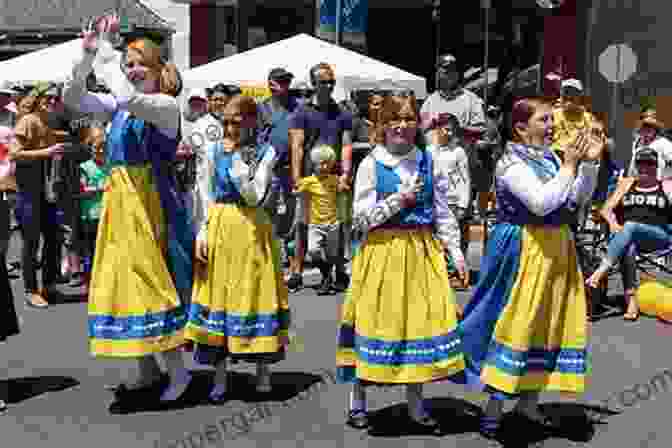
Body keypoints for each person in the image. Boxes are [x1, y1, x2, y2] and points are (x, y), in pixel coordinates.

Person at [62, 14, 194, 406]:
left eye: (140, 65)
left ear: (157, 69)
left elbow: (128, 97)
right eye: (129, 65)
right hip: (120, 204)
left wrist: (110, 51)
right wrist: (87, 56)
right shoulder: (118, 108)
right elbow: (72, 98)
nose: (133, 71)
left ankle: (179, 371)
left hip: (150, 203)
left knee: (150, 282)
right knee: (122, 281)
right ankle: (146, 368)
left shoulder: (165, 106)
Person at [455, 97, 601, 439]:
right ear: (521, 128)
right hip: (525, 248)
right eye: (544, 120)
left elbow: (575, 201)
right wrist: (569, 164)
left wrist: (589, 166)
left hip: (556, 248)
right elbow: (540, 203)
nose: (552, 126)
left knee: (546, 324)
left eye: (552, 120)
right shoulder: (510, 164)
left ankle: (528, 404)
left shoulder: (551, 158)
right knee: (516, 322)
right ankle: (494, 407)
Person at [336, 93, 466, 433]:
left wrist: (456, 252)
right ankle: (357, 401)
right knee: (375, 324)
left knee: (417, 326)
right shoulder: (370, 164)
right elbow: (361, 220)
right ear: (382, 123)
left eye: (409, 118)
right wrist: (398, 199)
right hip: (382, 253)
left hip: (421, 253)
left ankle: (416, 405)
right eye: (396, 118)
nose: (403, 125)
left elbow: (441, 209)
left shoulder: (426, 159)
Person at [186, 95, 290, 404]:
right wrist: (201, 231)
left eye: (236, 122)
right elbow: (203, 191)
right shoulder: (211, 148)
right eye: (226, 121)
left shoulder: (266, 152)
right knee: (219, 295)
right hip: (220, 223)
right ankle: (219, 376)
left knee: (256, 293)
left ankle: (262, 370)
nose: (230, 128)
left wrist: (237, 164)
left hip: (251, 228)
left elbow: (254, 195)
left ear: (252, 122)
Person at [288, 62, 353, 293]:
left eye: (331, 81)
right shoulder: (302, 111)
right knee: (303, 224)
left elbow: (346, 145)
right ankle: (296, 271)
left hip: (335, 179)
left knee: (340, 224)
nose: (328, 86)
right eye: (323, 82)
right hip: (309, 177)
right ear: (314, 84)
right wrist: (296, 176)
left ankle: (341, 271)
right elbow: (296, 146)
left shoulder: (343, 113)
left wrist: (346, 173)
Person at [587, 148, 672, 320]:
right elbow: (606, 209)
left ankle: (601, 271)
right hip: (626, 236)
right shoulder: (627, 184)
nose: (645, 168)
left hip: (657, 237)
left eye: (649, 164)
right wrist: (613, 225)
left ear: (656, 166)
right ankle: (631, 300)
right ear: (635, 165)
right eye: (641, 164)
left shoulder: (666, 185)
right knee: (628, 245)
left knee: (631, 227)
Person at [8, 82, 66, 309]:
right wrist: (47, 152)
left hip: (46, 191)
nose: (52, 101)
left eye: (55, 98)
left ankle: (49, 286)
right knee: (31, 243)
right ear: (38, 98)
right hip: (28, 192)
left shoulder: (46, 122)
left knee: (53, 238)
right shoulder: (28, 121)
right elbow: (15, 153)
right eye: (48, 97)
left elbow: (55, 139)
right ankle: (31, 290)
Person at [256, 68, 300, 268]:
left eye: (285, 82)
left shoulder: (298, 107)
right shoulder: (261, 109)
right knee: (267, 210)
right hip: (268, 169)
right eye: (278, 81)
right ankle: (271, 251)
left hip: (291, 169)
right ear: (270, 83)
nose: (282, 85)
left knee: (291, 213)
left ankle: (289, 252)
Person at [427, 112, 471, 287]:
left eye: (453, 130)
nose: (449, 133)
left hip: (452, 202)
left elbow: (465, 179)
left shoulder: (459, 152)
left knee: (453, 238)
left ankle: (456, 274)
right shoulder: (428, 151)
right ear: (437, 129)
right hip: (433, 201)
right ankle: (438, 272)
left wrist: (463, 204)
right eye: (446, 129)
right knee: (435, 239)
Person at [295, 145, 344, 295]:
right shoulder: (309, 181)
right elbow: (297, 189)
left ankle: (326, 281)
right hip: (315, 224)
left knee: (332, 255)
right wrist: (297, 191)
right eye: (320, 163)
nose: (324, 167)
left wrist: (344, 185)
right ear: (314, 164)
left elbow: (343, 188)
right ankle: (326, 273)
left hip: (333, 223)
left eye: (327, 163)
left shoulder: (334, 179)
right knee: (313, 251)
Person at [420, 54, 487, 144]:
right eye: (446, 70)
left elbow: (481, 130)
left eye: (453, 70)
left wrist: (459, 128)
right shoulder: (430, 101)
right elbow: (419, 129)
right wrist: (431, 123)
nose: (450, 74)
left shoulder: (471, 99)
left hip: (460, 156)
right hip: (434, 155)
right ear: (438, 73)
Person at [77, 126, 108, 295]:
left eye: (104, 146)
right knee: (92, 253)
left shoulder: (111, 165)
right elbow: (82, 190)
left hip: (108, 215)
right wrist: (100, 188)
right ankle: (90, 284)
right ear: (91, 148)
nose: (101, 150)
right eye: (97, 147)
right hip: (91, 216)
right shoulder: (85, 167)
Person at [551, 79, 595, 161]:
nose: (568, 96)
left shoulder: (588, 118)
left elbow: (593, 141)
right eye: (565, 92)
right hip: (556, 157)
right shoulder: (552, 114)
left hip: (580, 158)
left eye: (573, 93)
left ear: (579, 97)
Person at [628, 108, 672, 180]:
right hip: (638, 186)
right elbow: (633, 168)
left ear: (656, 128)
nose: (648, 128)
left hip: (657, 187)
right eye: (645, 125)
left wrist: (666, 182)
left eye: (651, 126)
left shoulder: (664, 143)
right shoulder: (637, 142)